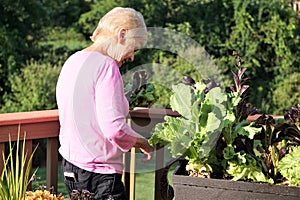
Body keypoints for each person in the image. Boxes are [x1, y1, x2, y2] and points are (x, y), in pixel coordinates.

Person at [56, 7, 154, 200]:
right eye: (134, 48)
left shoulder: (73, 60)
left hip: (71, 169)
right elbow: (115, 129)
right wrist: (144, 143)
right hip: (99, 176)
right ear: (122, 35)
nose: (132, 56)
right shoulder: (106, 66)